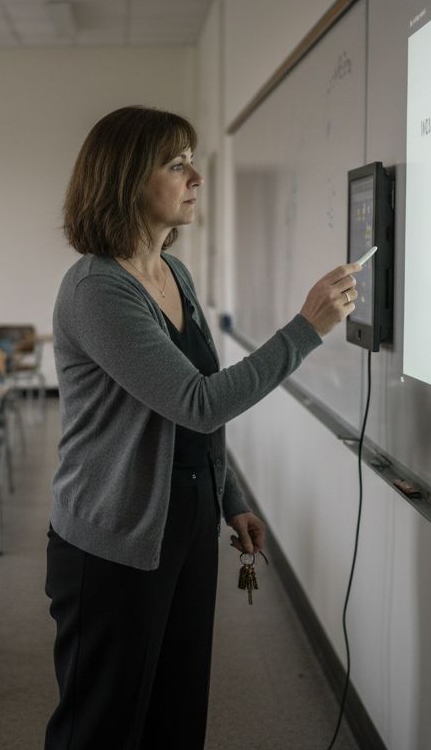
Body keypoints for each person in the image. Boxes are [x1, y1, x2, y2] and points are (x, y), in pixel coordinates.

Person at [45, 106, 360, 750]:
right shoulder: (97, 290)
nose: (196, 177)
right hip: (114, 534)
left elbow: (195, 407)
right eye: (176, 163)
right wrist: (306, 329)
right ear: (128, 179)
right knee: (101, 726)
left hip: (185, 517)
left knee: (178, 710)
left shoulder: (175, 274)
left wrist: (229, 498)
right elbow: (199, 401)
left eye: (193, 160)